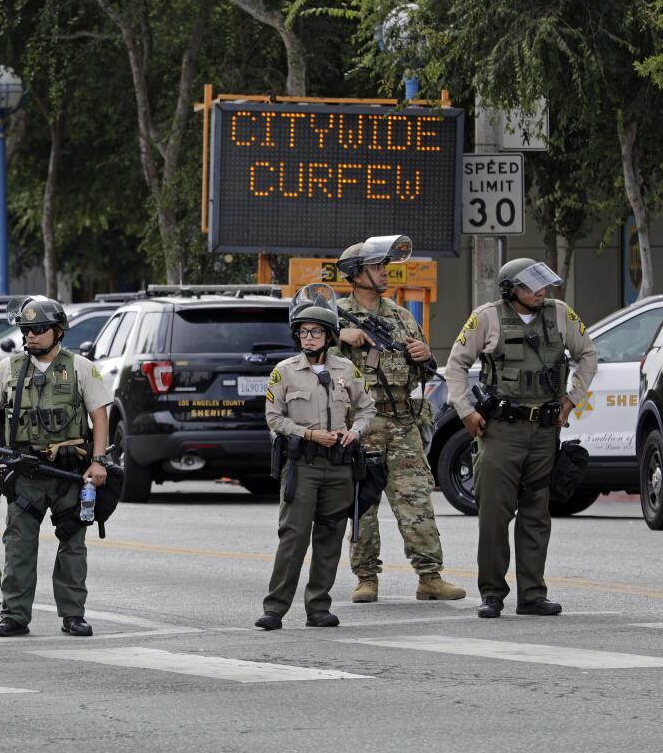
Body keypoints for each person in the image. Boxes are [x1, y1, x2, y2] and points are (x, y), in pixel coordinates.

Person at [445, 259, 597, 619]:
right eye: (531, 286)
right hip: (500, 432)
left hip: (545, 431)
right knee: (494, 515)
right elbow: (456, 365)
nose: (541, 291)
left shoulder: (560, 314)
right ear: (511, 289)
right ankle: (493, 594)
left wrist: (572, 398)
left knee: (537, 514)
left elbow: (587, 355)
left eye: (542, 285)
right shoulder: (487, 317)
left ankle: (532, 595)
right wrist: (466, 410)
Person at [334, 236, 466, 603]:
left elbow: (424, 371)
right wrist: (340, 339)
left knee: (416, 500)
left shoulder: (402, 316)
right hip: (361, 426)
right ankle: (366, 578)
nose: (384, 273)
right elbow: (311, 359)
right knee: (365, 504)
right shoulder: (334, 317)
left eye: (384, 267)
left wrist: (423, 356)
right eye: (376, 268)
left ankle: (430, 577)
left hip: (403, 422)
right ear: (356, 274)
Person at [0, 296, 113, 638]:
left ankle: (73, 615)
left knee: (73, 544)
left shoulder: (81, 367)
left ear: (58, 331)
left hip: (70, 473)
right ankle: (14, 616)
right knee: (19, 544)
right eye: (26, 330)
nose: (31, 337)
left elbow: (99, 415)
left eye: (39, 330)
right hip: (24, 472)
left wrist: (98, 462)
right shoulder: (8, 368)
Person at [256, 285, 375, 632]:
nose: (309, 338)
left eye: (316, 332)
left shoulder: (346, 371)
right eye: (304, 332)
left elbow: (367, 408)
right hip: (302, 465)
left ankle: (318, 607)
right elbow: (273, 418)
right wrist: (308, 434)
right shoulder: (284, 371)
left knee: (330, 536)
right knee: (293, 537)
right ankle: (275, 608)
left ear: (329, 337)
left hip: (339, 465)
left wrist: (356, 431)